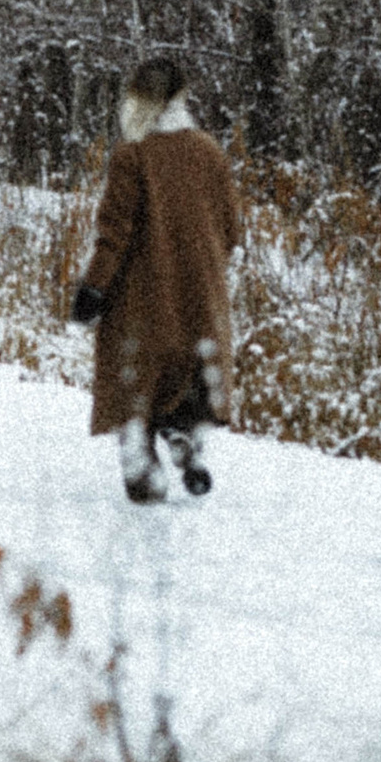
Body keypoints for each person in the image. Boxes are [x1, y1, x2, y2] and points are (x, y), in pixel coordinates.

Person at [69, 52, 241, 502]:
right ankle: (184, 436)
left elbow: (115, 233)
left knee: (134, 388)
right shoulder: (208, 151)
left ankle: (145, 473)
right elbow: (231, 229)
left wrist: (94, 288)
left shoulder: (133, 154)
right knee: (184, 376)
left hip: (143, 299)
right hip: (200, 296)